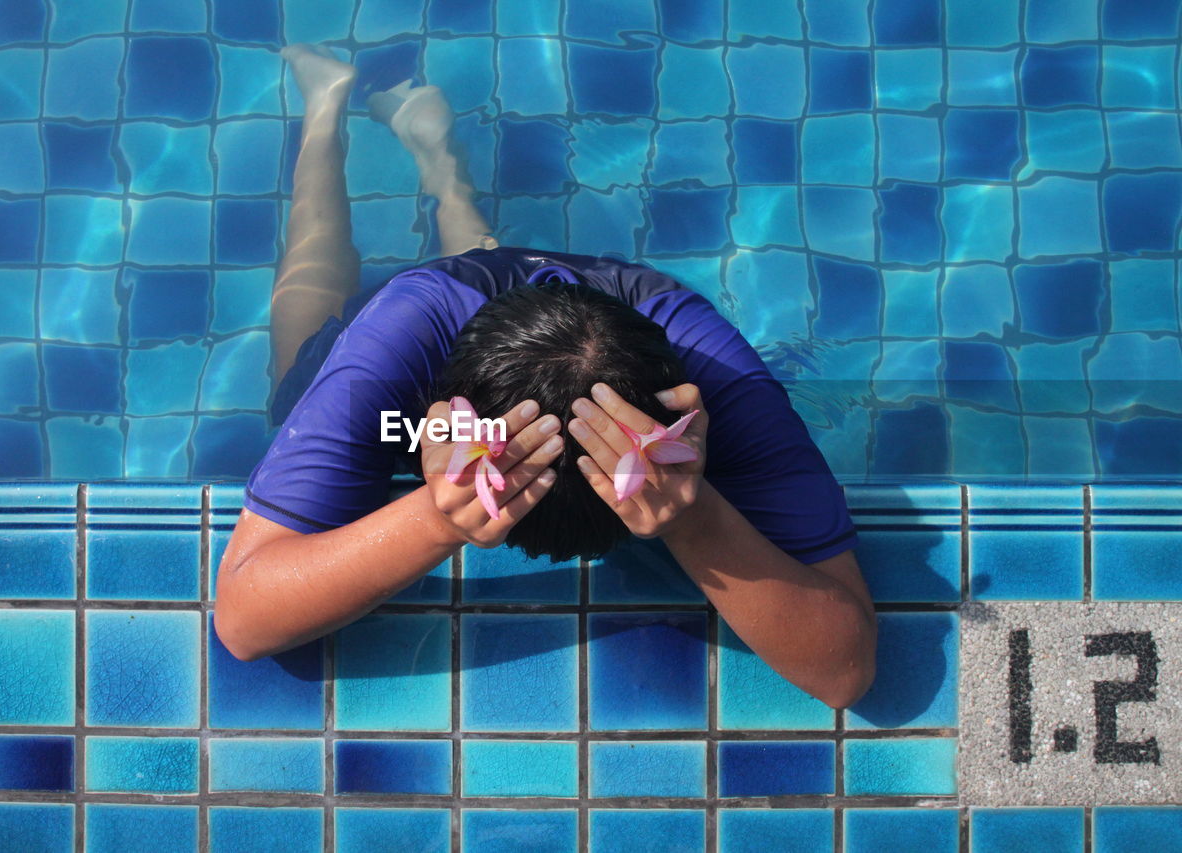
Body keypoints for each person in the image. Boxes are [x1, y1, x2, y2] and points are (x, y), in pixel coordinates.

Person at [214, 44, 877, 710]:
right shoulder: (396, 344)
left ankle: (439, 161)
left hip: (561, 315)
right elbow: (243, 619)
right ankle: (327, 112)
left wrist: (693, 512)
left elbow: (845, 667)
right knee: (298, 356)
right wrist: (438, 516)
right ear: (439, 403)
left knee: (485, 277)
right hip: (434, 314)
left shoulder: (712, 381)